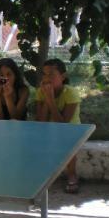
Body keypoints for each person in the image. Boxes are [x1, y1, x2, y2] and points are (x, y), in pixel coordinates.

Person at [35, 58, 81, 193]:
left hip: (69, 129)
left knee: (69, 142)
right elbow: (41, 121)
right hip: (48, 129)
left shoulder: (71, 93)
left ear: (63, 76)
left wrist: (50, 100)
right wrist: (47, 97)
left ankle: (72, 175)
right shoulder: (40, 92)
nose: (47, 78)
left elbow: (63, 124)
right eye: (44, 74)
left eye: (51, 74)